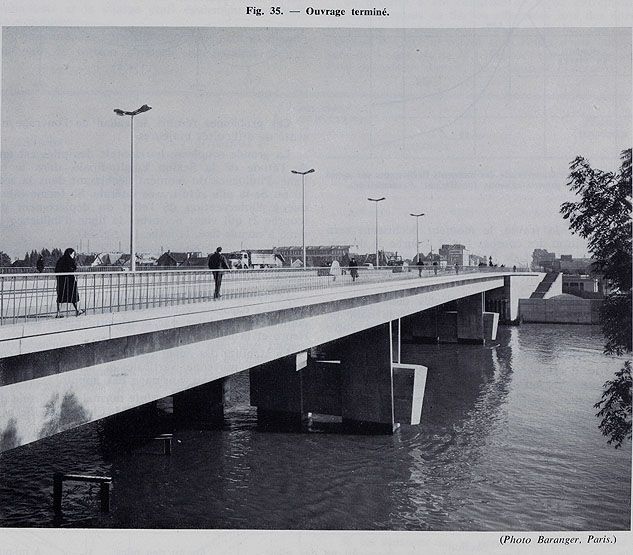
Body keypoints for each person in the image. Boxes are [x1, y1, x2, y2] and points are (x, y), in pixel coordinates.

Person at [55, 248, 83, 317]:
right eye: (73, 254)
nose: (74, 255)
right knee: (73, 296)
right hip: (70, 281)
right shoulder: (70, 260)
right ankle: (77, 310)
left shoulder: (61, 260)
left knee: (60, 297)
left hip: (61, 281)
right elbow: (73, 268)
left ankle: (58, 312)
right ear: (70, 254)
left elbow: (56, 269)